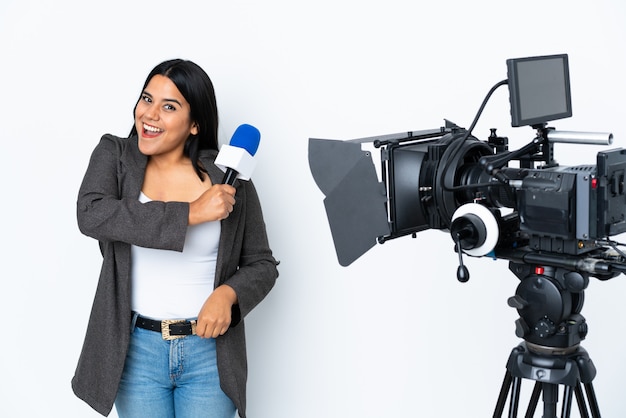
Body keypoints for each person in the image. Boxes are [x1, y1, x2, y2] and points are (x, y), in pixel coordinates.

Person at [72, 59, 279, 418]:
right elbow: (92, 214)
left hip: (209, 352)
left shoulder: (228, 180)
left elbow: (262, 264)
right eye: (146, 99)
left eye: (169, 106)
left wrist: (228, 295)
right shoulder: (115, 156)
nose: (150, 115)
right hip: (136, 351)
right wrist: (191, 213)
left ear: (195, 123)